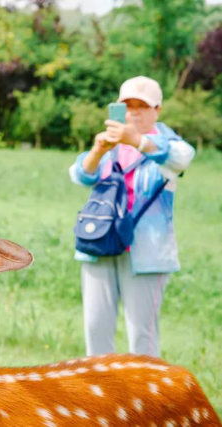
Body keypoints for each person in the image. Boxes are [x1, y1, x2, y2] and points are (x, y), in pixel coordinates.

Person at [69, 76, 195, 357]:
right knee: (95, 329)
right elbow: (80, 175)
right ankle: (102, 400)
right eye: (128, 105)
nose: (134, 111)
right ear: (118, 107)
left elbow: (182, 158)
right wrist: (98, 149)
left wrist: (138, 141)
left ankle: (146, 400)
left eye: (143, 105)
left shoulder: (167, 145)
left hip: (147, 252)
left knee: (142, 336)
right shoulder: (110, 144)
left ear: (157, 109)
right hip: (99, 242)